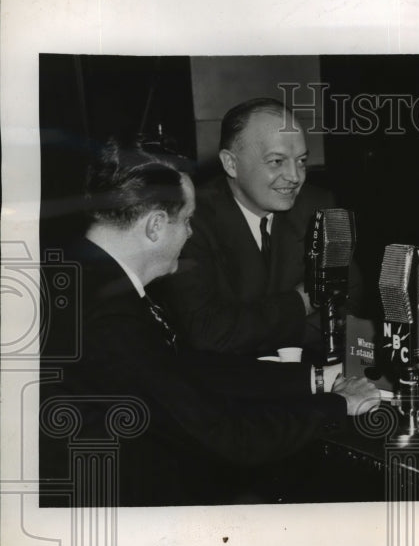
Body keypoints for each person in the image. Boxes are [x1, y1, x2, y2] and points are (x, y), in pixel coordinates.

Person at [40, 138, 379, 506]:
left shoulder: (82, 275)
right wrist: (338, 406)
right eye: (186, 220)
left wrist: (313, 380)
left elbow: (183, 369)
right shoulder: (109, 319)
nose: (189, 233)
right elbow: (227, 437)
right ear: (155, 226)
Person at [155, 97, 360, 356]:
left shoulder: (318, 205)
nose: (295, 177)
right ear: (231, 164)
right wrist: (303, 301)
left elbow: (347, 308)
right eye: (277, 161)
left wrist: (250, 331)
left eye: (301, 161)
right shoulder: (190, 219)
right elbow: (204, 332)